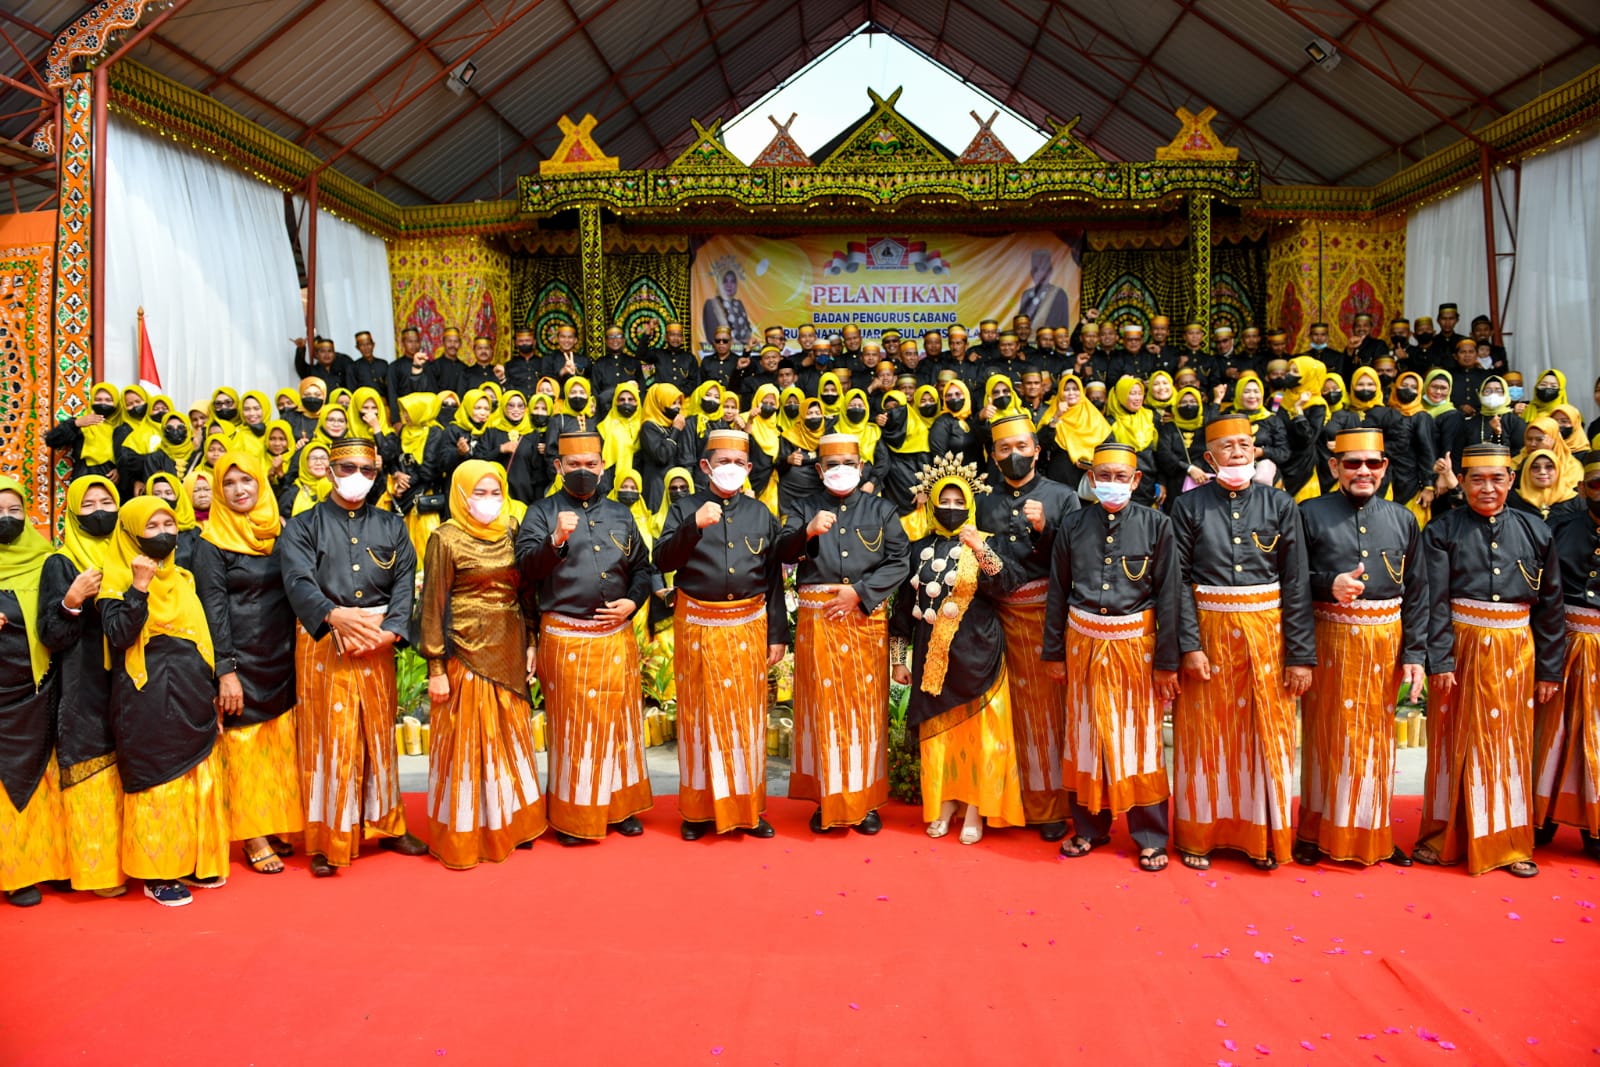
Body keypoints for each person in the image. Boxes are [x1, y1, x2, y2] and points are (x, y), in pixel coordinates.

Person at [1171, 414, 1314, 871]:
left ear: (1256, 451)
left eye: (1245, 445)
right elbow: (1179, 580)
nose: (1237, 452)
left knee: (1265, 735)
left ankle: (1264, 838)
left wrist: (1301, 657)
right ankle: (1200, 835)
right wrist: (1189, 646)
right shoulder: (1189, 508)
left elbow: (1296, 583)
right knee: (1204, 734)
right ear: (1209, 459)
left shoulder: (1280, 504)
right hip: (1209, 633)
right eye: (1226, 447)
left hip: (1266, 636)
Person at [278, 438, 427, 876]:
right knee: (330, 738)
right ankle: (327, 837)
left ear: (376, 473)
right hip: (324, 641)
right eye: (347, 468)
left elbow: (404, 582)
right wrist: (333, 616)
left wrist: (393, 632)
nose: (356, 477)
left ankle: (388, 823)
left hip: (377, 641)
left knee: (377, 733)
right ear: (329, 471)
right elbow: (298, 580)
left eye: (366, 469)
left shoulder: (392, 525)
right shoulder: (303, 526)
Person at [1418, 443, 1564, 877]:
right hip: (1460, 646)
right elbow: (1434, 600)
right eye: (1477, 479)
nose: (1487, 488)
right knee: (1452, 741)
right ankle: (1444, 835)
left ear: (1510, 481)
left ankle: (1509, 843)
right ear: (1461, 483)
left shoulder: (1536, 530)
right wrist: (1439, 661)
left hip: (1516, 650)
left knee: (1509, 745)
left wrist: (1550, 669)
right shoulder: (1442, 530)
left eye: (1497, 478)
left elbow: (1551, 606)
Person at [1294, 429, 1428, 868]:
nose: (1364, 472)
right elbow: (1291, 582)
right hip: (1328, 635)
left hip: (1384, 644)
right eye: (1352, 463)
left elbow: (1419, 591)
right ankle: (1313, 833)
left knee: (1375, 740)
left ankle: (1375, 834)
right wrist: (1326, 584)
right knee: (1326, 737)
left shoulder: (1403, 518)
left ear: (1385, 467)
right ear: (1334, 467)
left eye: (1373, 464)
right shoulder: (1308, 513)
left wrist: (1414, 654)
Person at [1042, 442, 1179, 871]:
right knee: (1086, 736)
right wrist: (1054, 653)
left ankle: (1150, 835)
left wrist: (1167, 663)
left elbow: (1170, 596)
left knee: (1137, 740)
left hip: (1134, 647)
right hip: (1082, 642)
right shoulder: (1073, 524)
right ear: (1091, 479)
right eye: (1104, 476)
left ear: (1136, 481)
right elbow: (1058, 592)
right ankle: (1089, 828)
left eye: (1121, 477)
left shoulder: (1157, 525)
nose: (1112, 484)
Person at [517, 434, 654, 844]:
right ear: (558, 467)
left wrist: (632, 602)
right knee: (575, 728)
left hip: (616, 635)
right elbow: (524, 570)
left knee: (619, 723)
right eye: (574, 464)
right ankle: (574, 815)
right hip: (567, 635)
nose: (583, 472)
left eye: (592, 464)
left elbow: (643, 569)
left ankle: (620, 807)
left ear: (603, 466)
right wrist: (554, 540)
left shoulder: (620, 513)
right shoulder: (541, 513)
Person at [653, 429, 787, 840]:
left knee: (746, 719)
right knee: (698, 718)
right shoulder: (684, 508)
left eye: (738, 463)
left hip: (748, 626)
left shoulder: (761, 514)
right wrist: (692, 525)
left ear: (748, 469)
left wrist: (777, 633)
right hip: (698, 626)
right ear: (705, 466)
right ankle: (696, 812)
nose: (730, 469)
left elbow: (773, 578)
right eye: (721, 461)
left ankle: (748, 809)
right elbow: (662, 558)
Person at [777, 433, 910, 834]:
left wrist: (860, 593)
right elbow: (781, 552)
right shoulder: (803, 507)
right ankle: (825, 799)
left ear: (861, 466)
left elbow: (899, 560)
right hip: (819, 623)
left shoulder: (881, 509)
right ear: (819, 470)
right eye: (831, 465)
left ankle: (865, 802)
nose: (840, 471)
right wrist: (807, 534)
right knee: (823, 708)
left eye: (847, 464)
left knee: (864, 711)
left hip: (864, 620)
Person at [98, 495, 227, 907]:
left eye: (168, 526)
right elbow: (119, 636)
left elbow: (202, 640)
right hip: (145, 694)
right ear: (132, 532)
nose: (163, 534)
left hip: (192, 688)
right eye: (151, 527)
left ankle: (193, 858)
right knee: (158, 777)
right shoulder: (113, 577)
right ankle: (157, 871)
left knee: (195, 774)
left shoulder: (184, 579)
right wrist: (139, 587)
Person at [890, 454, 1023, 844]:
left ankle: (976, 808)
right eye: (943, 502)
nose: (951, 509)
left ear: (970, 504)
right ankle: (946, 802)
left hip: (979, 654)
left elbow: (1008, 584)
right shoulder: (917, 548)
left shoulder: (985, 543)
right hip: (933, 658)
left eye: (958, 502)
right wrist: (899, 659)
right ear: (931, 504)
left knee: (980, 736)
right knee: (940, 736)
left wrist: (980, 549)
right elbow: (902, 608)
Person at [418, 460, 545, 866]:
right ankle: (470, 829)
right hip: (464, 652)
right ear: (460, 495)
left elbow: (525, 589)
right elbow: (432, 607)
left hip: (508, 646)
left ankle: (514, 824)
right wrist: (435, 669)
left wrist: (531, 639)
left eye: (495, 493)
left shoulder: (511, 528)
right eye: (479, 494)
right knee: (470, 741)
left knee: (509, 737)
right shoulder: (445, 538)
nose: (488, 502)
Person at [193, 452, 302, 876]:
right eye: (230, 484)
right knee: (243, 749)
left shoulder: (281, 531)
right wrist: (226, 670)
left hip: (281, 654)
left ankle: (271, 822)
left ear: (262, 484)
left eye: (248, 481)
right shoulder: (211, 542)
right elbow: (212, 608)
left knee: (277, 746)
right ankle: (251, 834)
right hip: (241, 659)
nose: (240, 491)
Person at [975, 413, 1079, 839]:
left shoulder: (1063, 496)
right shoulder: (981, 500)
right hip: (992, 619)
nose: (1013, 455)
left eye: (1021, 447)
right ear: (993, 455)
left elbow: (1077, 559)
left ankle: (1049, 806)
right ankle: (997, 801)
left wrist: (1044, 530)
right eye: (1004, 449)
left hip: (1043, 618)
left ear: (1037, 449)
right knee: (997, 713)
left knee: (1044, 714)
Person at [38, 476, 125, 898]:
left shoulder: (133, 552)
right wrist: (71, 601)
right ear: (73, 512)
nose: (98, 510)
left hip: (132, 676)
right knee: (93, 767)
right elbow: (50, 634)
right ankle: (98, 868)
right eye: (87, 504)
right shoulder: (61, 562)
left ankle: (142, 859)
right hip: (85, 679)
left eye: (105, 501)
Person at [0, 478, 70, 906]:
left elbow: (56, 619)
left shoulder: (44, 559)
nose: (6, 518)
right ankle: (14, 870)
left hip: (38, 684)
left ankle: (50, 864)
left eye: (13, 510)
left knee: (44, 776)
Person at [1536, 454, 1600, 861]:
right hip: (1565, 639)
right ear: (1581, 490)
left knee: (1597, 736)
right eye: (1596, 486)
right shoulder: (1559, 529)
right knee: (1552, 729)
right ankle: (1542, 817)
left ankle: (1595, 825)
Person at [1016, 249, 1071, 328]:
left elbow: (1064, 327)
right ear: (1032, 273)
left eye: (1045, 269)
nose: (1041, 274)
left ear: (1050, 271)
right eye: (1036, 270)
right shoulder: (1026, 294)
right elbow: (1020, 325)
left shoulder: (1059, 294)